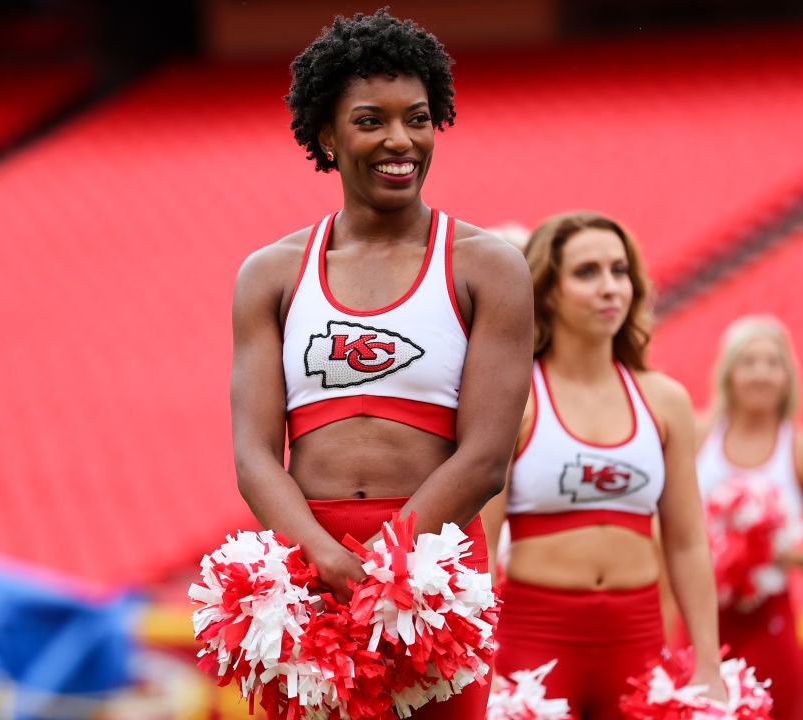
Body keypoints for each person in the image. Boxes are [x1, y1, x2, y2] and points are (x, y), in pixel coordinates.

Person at [228, 9, 533, 717]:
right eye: (371, 121)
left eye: (418, 118)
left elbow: (486, 458)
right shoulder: (270, 274)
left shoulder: (488, 266)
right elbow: (253, 455)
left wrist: (386, 560)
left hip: (432, 570)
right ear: (326, 136)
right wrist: (327, 558)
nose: (401, 140)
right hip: (306, 567)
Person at [479, 211, 725, 719]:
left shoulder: (664, 400)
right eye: (587, 272)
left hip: (637, 643)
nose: (610, 286)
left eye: (620, 270)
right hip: (534, 643)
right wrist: (486, 660)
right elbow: (481, 540)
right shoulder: (516, 396)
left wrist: (707, 662)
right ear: (548, 291)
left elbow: (686, 541)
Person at [693, 315, 803, 720]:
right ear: (729, 373)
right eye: (749, 362)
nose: (761, 374)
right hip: (699, 615)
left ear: (787, 376)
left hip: (770, 620)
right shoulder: (696, 436)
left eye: (772, 363)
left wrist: (775, 554)